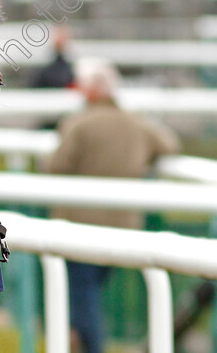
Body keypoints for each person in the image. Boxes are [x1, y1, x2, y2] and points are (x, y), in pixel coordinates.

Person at [45, 57, 180, 353]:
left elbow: (54, 166)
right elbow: (169, 145)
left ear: (89, 90)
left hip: (77, 229)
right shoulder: (137, 124)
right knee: (89, 298)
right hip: (123, 228)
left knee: (82, 300)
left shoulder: (78, 124)